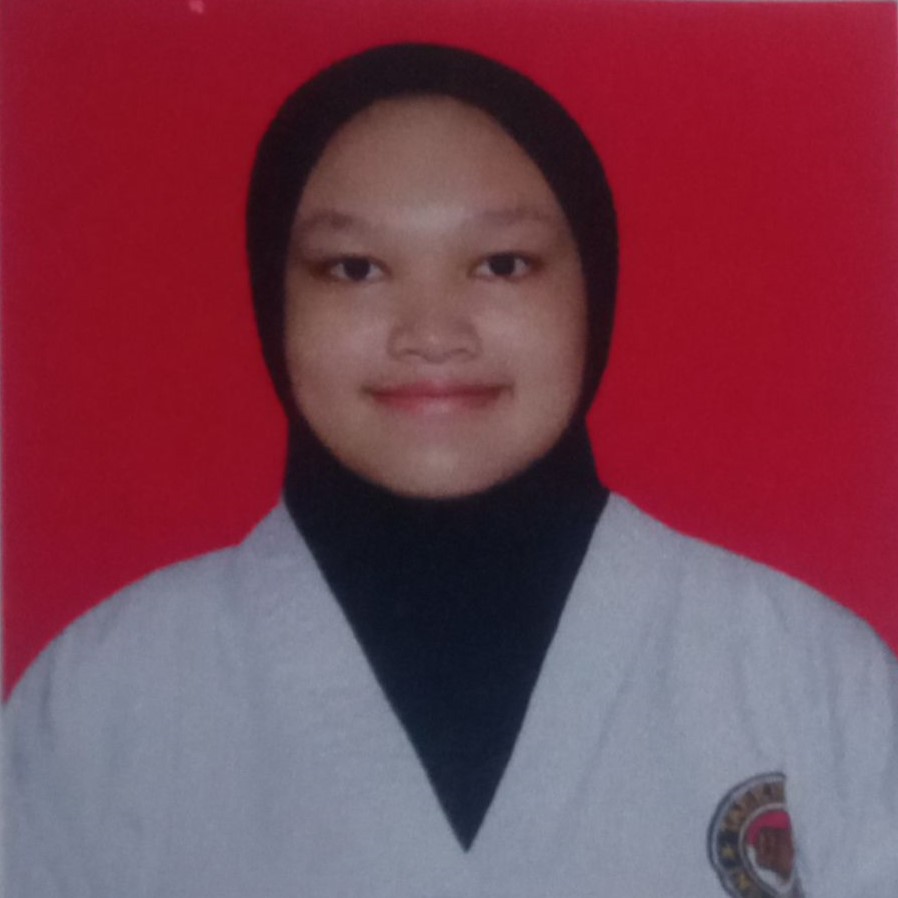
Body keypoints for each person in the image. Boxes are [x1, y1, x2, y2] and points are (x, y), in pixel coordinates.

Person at [5, 43, 897, 898]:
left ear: (594, 288)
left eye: (502, 265)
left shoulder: (805, 673)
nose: (431, 333)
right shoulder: (103, 701)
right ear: (274, 297)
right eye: (355, 269)